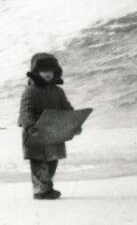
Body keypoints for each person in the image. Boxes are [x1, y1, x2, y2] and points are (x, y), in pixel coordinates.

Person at [18, 54, 78, 200]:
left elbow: (66, 108)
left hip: (53, 132)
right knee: (39, 162)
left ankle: (47, 187)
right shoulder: (30, 91)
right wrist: (29, 125)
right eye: (44, 70)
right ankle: (40, 190)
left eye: (50, 70)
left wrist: (74, 123)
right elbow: (26, 110)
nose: (48, 74)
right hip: (35, 132)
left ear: (56, 72)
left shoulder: (58, 91)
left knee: (52, 160)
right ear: (36, 72)